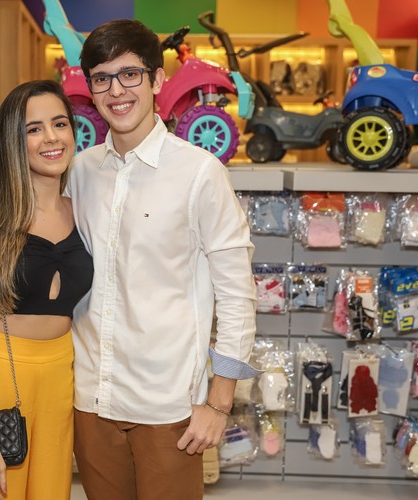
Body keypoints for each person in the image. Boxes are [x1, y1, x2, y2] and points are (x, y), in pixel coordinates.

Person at [68, 19, 260, 499]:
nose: (116, 91)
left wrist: (219, 402)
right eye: (102, 78)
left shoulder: (199, 173)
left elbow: (237, 293)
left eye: (130, 74)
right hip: (90, 398)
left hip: (168, 407)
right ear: (90, 89)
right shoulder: (79, 172)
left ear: (157, 80)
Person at [0, 79, 93, 500]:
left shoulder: (80, 212)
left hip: (60, 379)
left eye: (59, 123)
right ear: (12, 140)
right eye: (34, 129)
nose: (52, 138)